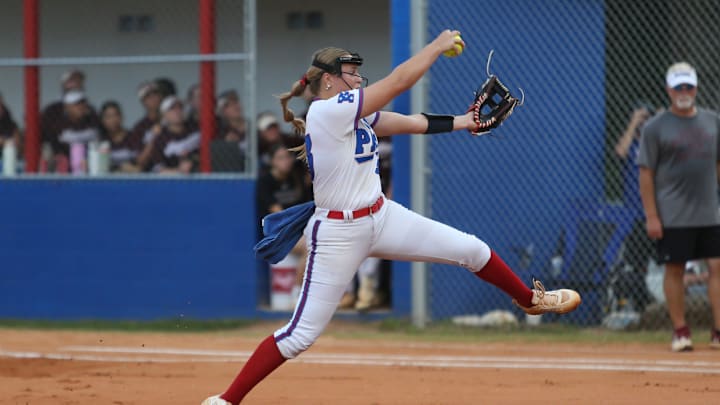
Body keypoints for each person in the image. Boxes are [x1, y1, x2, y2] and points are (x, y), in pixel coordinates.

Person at [201, 30, 581, 405]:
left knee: (473, 249)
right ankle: (226, 400)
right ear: (328, 80)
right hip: (337, 231)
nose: (356, 78)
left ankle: (530, 300)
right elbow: (398, 82)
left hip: (381, 217)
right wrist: (434, 47)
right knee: (300, 335)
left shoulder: (355, 115)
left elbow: (412, 122)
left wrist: (463, 122)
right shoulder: (325, 111)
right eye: (349, 72)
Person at [637, 61, 720, 352]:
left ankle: (718, 332)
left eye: (688, 86)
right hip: (673, 214)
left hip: (710, 212)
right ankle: (681, 331)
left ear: (696, 88)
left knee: (717, 267)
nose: (684, 91)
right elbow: (645, 172)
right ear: (668, 90)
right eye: (678, 87)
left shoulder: (713, 121)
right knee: (675, 269)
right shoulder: (655, 128)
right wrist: (652, 215)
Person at [256, 144, 313, 300]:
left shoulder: (296, 179)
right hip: (278, 235)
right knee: (311, 246)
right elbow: (279, 216)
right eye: (280, 158)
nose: (286, 162)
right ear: (272, 162)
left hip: (299, 229)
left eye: (287, 157)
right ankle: (297, 291)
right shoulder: (265, 182)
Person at [148, 96, 200, 174]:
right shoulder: (160, 138)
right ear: (164, 115)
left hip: (201, 176)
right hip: (174, 182)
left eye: (180, 107)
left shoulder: (196, 128)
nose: (177, 111)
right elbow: (158, 170)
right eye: (172, 109)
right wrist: (179, 171)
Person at [99, 101, 141, 173]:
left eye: (115, 115)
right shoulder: (101, 140)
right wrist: (119, 168)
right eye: (108, 117)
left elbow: (140, 166)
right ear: (102, 120)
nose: (113, 120)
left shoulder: (133, 137)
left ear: (121, 117)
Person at [130, 81, 163, 171]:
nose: (153, 98)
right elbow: (140, 161)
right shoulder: (139, 127)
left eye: (155, 94)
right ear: (142, 101)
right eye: (148, 96)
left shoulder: (172, 119)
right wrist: (154, 137)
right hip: (151, 174)